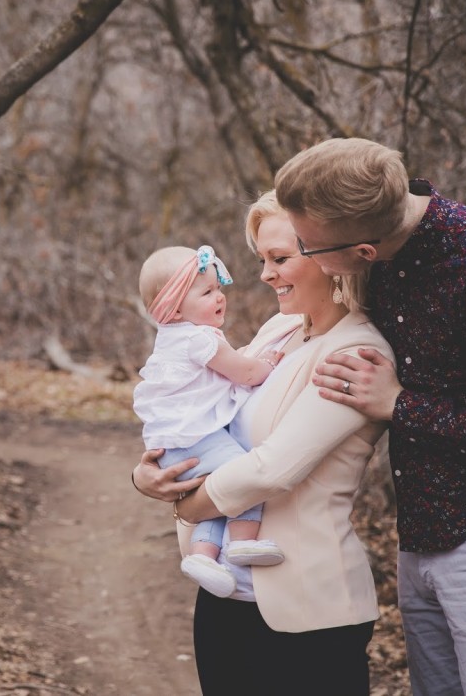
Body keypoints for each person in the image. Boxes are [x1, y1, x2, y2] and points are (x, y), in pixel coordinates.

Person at [273, 137, 466, 696]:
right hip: (422, 537)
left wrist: (397, 404)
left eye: (307, 247)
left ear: (361, 251)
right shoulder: (383, 255)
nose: (302, 253)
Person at [132, 192, 394, 695]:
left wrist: (184, 503)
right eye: (261, 260)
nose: (265, 274)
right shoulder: (279, 330)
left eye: (280, 259)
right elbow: (206, 413)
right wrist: (147, 474)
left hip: (305, 610)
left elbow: (271, 470)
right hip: (227, 599)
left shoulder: (356, 351)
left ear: (331, 257)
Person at [134, 244, 285, 599]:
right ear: (173, 306)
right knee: (242, 477)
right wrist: (269, 363)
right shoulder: (198, 338)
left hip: (176, 447)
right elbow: (245, 373)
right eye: (207, 292)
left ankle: (203, 557)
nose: (220, 298)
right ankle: (243, 543)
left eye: (219, 289)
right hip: (194, 442)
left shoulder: (174, 337)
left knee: (217, 501)